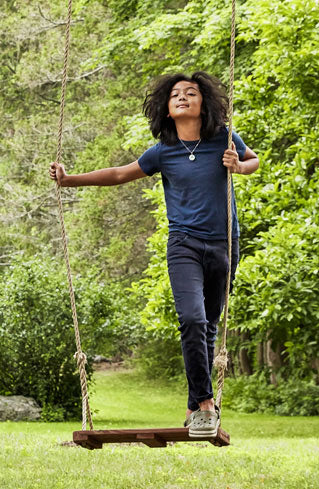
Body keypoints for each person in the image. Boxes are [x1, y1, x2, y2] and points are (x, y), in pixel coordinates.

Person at [49, 71, 259, 438]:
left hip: (225, 241)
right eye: (175, 94)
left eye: (190, 93)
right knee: (192, 319)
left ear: (203, 103)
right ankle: (206, 406)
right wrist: (69, 179)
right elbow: (117, 174)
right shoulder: (163, 151)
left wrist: (239, 167)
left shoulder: (223, 138)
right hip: (184, 244)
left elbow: (253, 159)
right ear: (166, 107)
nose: (182, 97)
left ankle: (195, 406)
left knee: (208, 326)